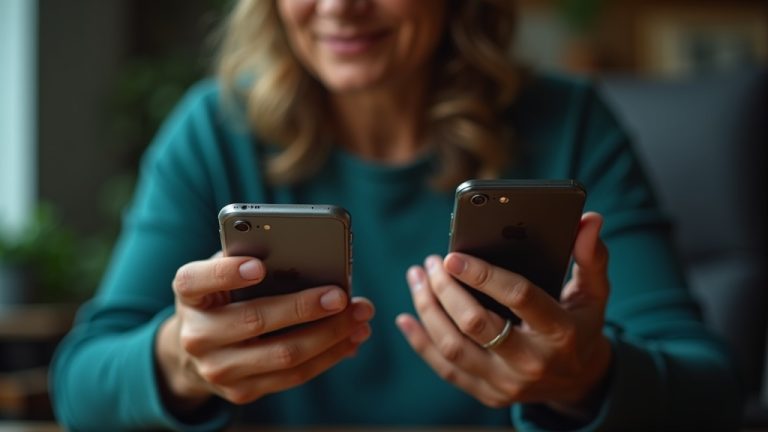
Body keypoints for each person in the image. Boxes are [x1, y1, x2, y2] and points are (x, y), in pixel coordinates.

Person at [50, 0, 742, 430]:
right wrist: (179, 358)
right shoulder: (214, 127)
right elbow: (79, 388)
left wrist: (588, 378)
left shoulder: (570, 124)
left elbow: (712, 388)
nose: (338, 7)